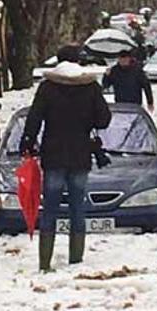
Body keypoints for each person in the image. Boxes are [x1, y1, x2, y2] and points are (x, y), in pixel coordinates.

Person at [20, 44, 111, 272]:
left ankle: (45, 262)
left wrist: (28, 143)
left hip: (54, 155)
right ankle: (76, 259)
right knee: (77, 206)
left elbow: (34, 118)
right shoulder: (90, 87)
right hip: (81, 154)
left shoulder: (48, 87)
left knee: (50, 207)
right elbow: (104, 120)